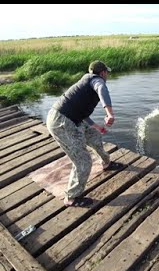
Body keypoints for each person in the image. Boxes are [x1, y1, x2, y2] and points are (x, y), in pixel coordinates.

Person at [46, 60, 120, 207]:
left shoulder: (86, 82)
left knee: (94, 136)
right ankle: (72, 197)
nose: (107, 76)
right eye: (107, 73)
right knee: (83, 160)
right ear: (103, 73)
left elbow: (81, 111)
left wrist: (96, 126)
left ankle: (106, 163)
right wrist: (109, 113)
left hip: (74, 118)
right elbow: (101, 89)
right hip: (61, 122)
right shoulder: (97, 81)